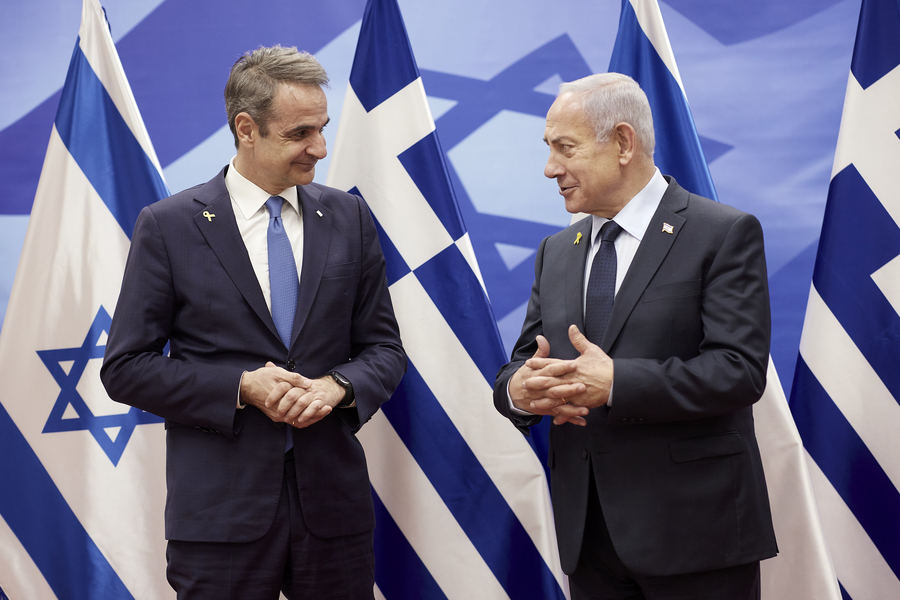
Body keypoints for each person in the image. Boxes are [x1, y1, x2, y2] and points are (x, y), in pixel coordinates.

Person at [101, 45, 406, 599]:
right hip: (219, 518)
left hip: (333, 513)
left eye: (322, 129)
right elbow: (125, 368)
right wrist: (241, 387)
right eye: (300, 134)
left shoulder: (349, 217)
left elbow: (384, 349)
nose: (320, 148)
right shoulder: (169, 227)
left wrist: (337, 387)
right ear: (247, 129)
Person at [493, 73, 777, 599]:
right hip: (590, 540)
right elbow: (524, 361)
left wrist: (617, 383)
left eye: (565, 148)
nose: (550, 167)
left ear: (623, 143)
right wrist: (519, 391)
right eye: (548, 148)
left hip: (695, 536)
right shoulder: (557, 251)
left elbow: (738, 371)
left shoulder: (721, 234)